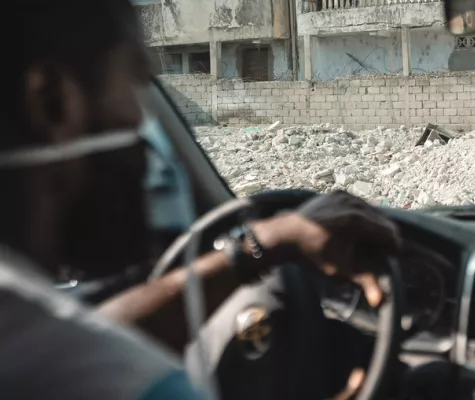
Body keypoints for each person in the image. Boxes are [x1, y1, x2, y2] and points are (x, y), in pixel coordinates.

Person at [1, 0, 399, 398]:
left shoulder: (24, 326)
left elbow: (82, 334)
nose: (143, 126)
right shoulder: (134, 385)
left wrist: (262, 245)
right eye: (134, 84)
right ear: (52, 102)